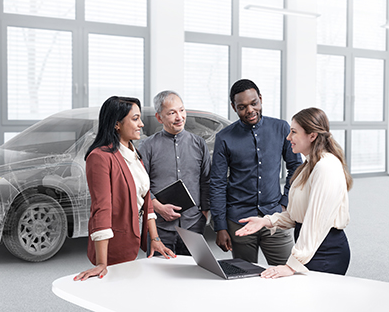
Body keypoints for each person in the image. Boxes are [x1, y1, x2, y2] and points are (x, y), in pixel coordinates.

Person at [236, 107, 352, 278]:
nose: (288, 137)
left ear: (312, 136)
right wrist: (266, 221)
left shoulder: (326, 167)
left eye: (294, 132)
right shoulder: (309, 165)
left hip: (325, 250)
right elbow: (297, 215)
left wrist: (291, 265)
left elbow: (316, 222)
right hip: (310, 247)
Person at [74, 96, 175, 281]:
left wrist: (155, 239)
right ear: (117, 124)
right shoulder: (100, 157)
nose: (141, 124)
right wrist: (101, 263)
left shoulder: (134, 152)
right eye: (135, 119)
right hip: (113, 246)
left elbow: (146, 200)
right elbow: (101, 209)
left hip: (132, 242)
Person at [209, 79, 302, 265]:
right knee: (244, 276)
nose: (250, 110)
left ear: (260, 99)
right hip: (239, 219)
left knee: (288, 272)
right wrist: (220, 226)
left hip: (274, 217)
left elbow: (297, 168)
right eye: (242, 107)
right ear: (234, 107)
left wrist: (285, 202)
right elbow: (217, 183)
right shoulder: (224, 137)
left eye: (254, 103)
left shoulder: (281, 128)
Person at [138, 90, 211, 255]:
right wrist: (157, 207)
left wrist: (203, 215)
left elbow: (206, 181)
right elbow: (140, 186)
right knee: (160, 276)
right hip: (160, 227)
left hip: (193, 225)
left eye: (182, 110)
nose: (179, 117)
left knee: (191, 276)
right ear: (159, 117)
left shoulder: (199, 144)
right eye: (172, 113)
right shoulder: (147, 147)